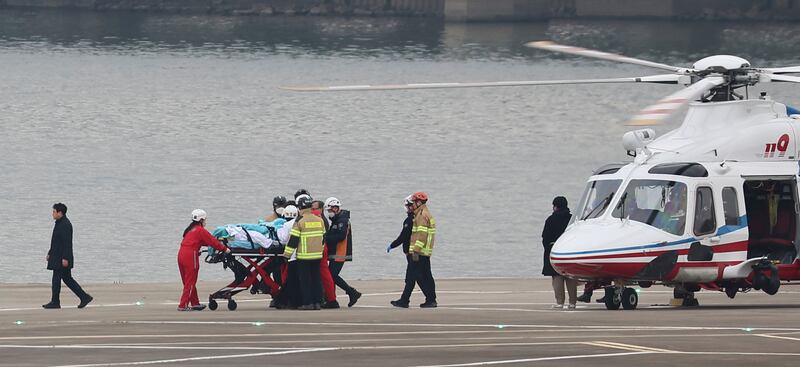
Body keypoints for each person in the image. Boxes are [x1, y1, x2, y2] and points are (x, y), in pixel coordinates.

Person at [178, 209, 230, 311]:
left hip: (181, 255)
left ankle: (195, 303)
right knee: (190, 282)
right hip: (190, 256)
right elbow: (212, 241)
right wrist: (225, 249)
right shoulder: (200, 230)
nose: (206, 222)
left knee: (187, 281)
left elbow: (201, 242)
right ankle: (183, 305)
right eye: (205, 220)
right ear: (201, 220)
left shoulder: (190, 230)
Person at [43, 203, 93, 309]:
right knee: (67, 278)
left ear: (60, 213)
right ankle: (84, 297)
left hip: (61, 257)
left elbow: (67, 243)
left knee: (57, 279)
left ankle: (55, 302)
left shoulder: (65, 225)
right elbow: (56, 241)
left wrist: (65, 258)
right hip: (57, 255)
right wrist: (50, 253)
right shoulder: (59, 223)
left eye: (54, 212)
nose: (52, 213)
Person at [283, 195, 325, 310]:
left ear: (300, 208)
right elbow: (323, 238)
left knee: (305, 281)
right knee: (316, 279)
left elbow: (293, 240)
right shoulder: (320, 220)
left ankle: (308, 303)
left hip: (304, 257)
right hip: (317, 256)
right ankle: (318, 302)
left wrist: (286, 255)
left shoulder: (300, 221)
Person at [398, 191, 437, 308]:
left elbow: (421, 235)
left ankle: (404, 300)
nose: (413, 204)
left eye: (414, 202)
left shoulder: (421, 216)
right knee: (426, 277)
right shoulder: (425, 213)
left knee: (411, 276)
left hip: (419, 252)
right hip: (425, 252)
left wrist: (415, 250)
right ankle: (431, 300)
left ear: (419, 203)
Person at [324, 197, 361, 307]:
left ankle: (351, 292)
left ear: (335, 208)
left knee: (332, 275)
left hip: (340, 252)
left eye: (330, 210)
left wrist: (325, 238)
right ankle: (347, 293)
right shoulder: (337, 219)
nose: (329, 213)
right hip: (336, 252)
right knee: (332, 275)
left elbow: (340, 236)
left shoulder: (342, 221)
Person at [542, 196, 577, 309]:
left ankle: (560, 302)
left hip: (555, 251)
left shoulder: (551, 220)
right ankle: (572, 302)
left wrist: (549, 248)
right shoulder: (572, 219)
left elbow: (545, 238)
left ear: (555, 206)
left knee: (557, 277)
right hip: (571, 252)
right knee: (571, 278)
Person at [389, 195, 424, 308]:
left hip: (412, 252)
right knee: (417, 277)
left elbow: (403, 236)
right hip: (415, 252)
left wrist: (393, 245)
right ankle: (429, 298)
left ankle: (405, 300)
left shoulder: (410, 220)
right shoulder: (416, 217)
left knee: (411, 277)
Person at [311, 199, 338, 308]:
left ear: (321, 209)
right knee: (322, 275)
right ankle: (327, 297)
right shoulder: (321, 219)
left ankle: (330, 299)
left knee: (324, 275)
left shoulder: (321, 220)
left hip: (320, 248)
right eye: (311, 208)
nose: (313, 210)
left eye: (315, 208)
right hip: (318, 248)